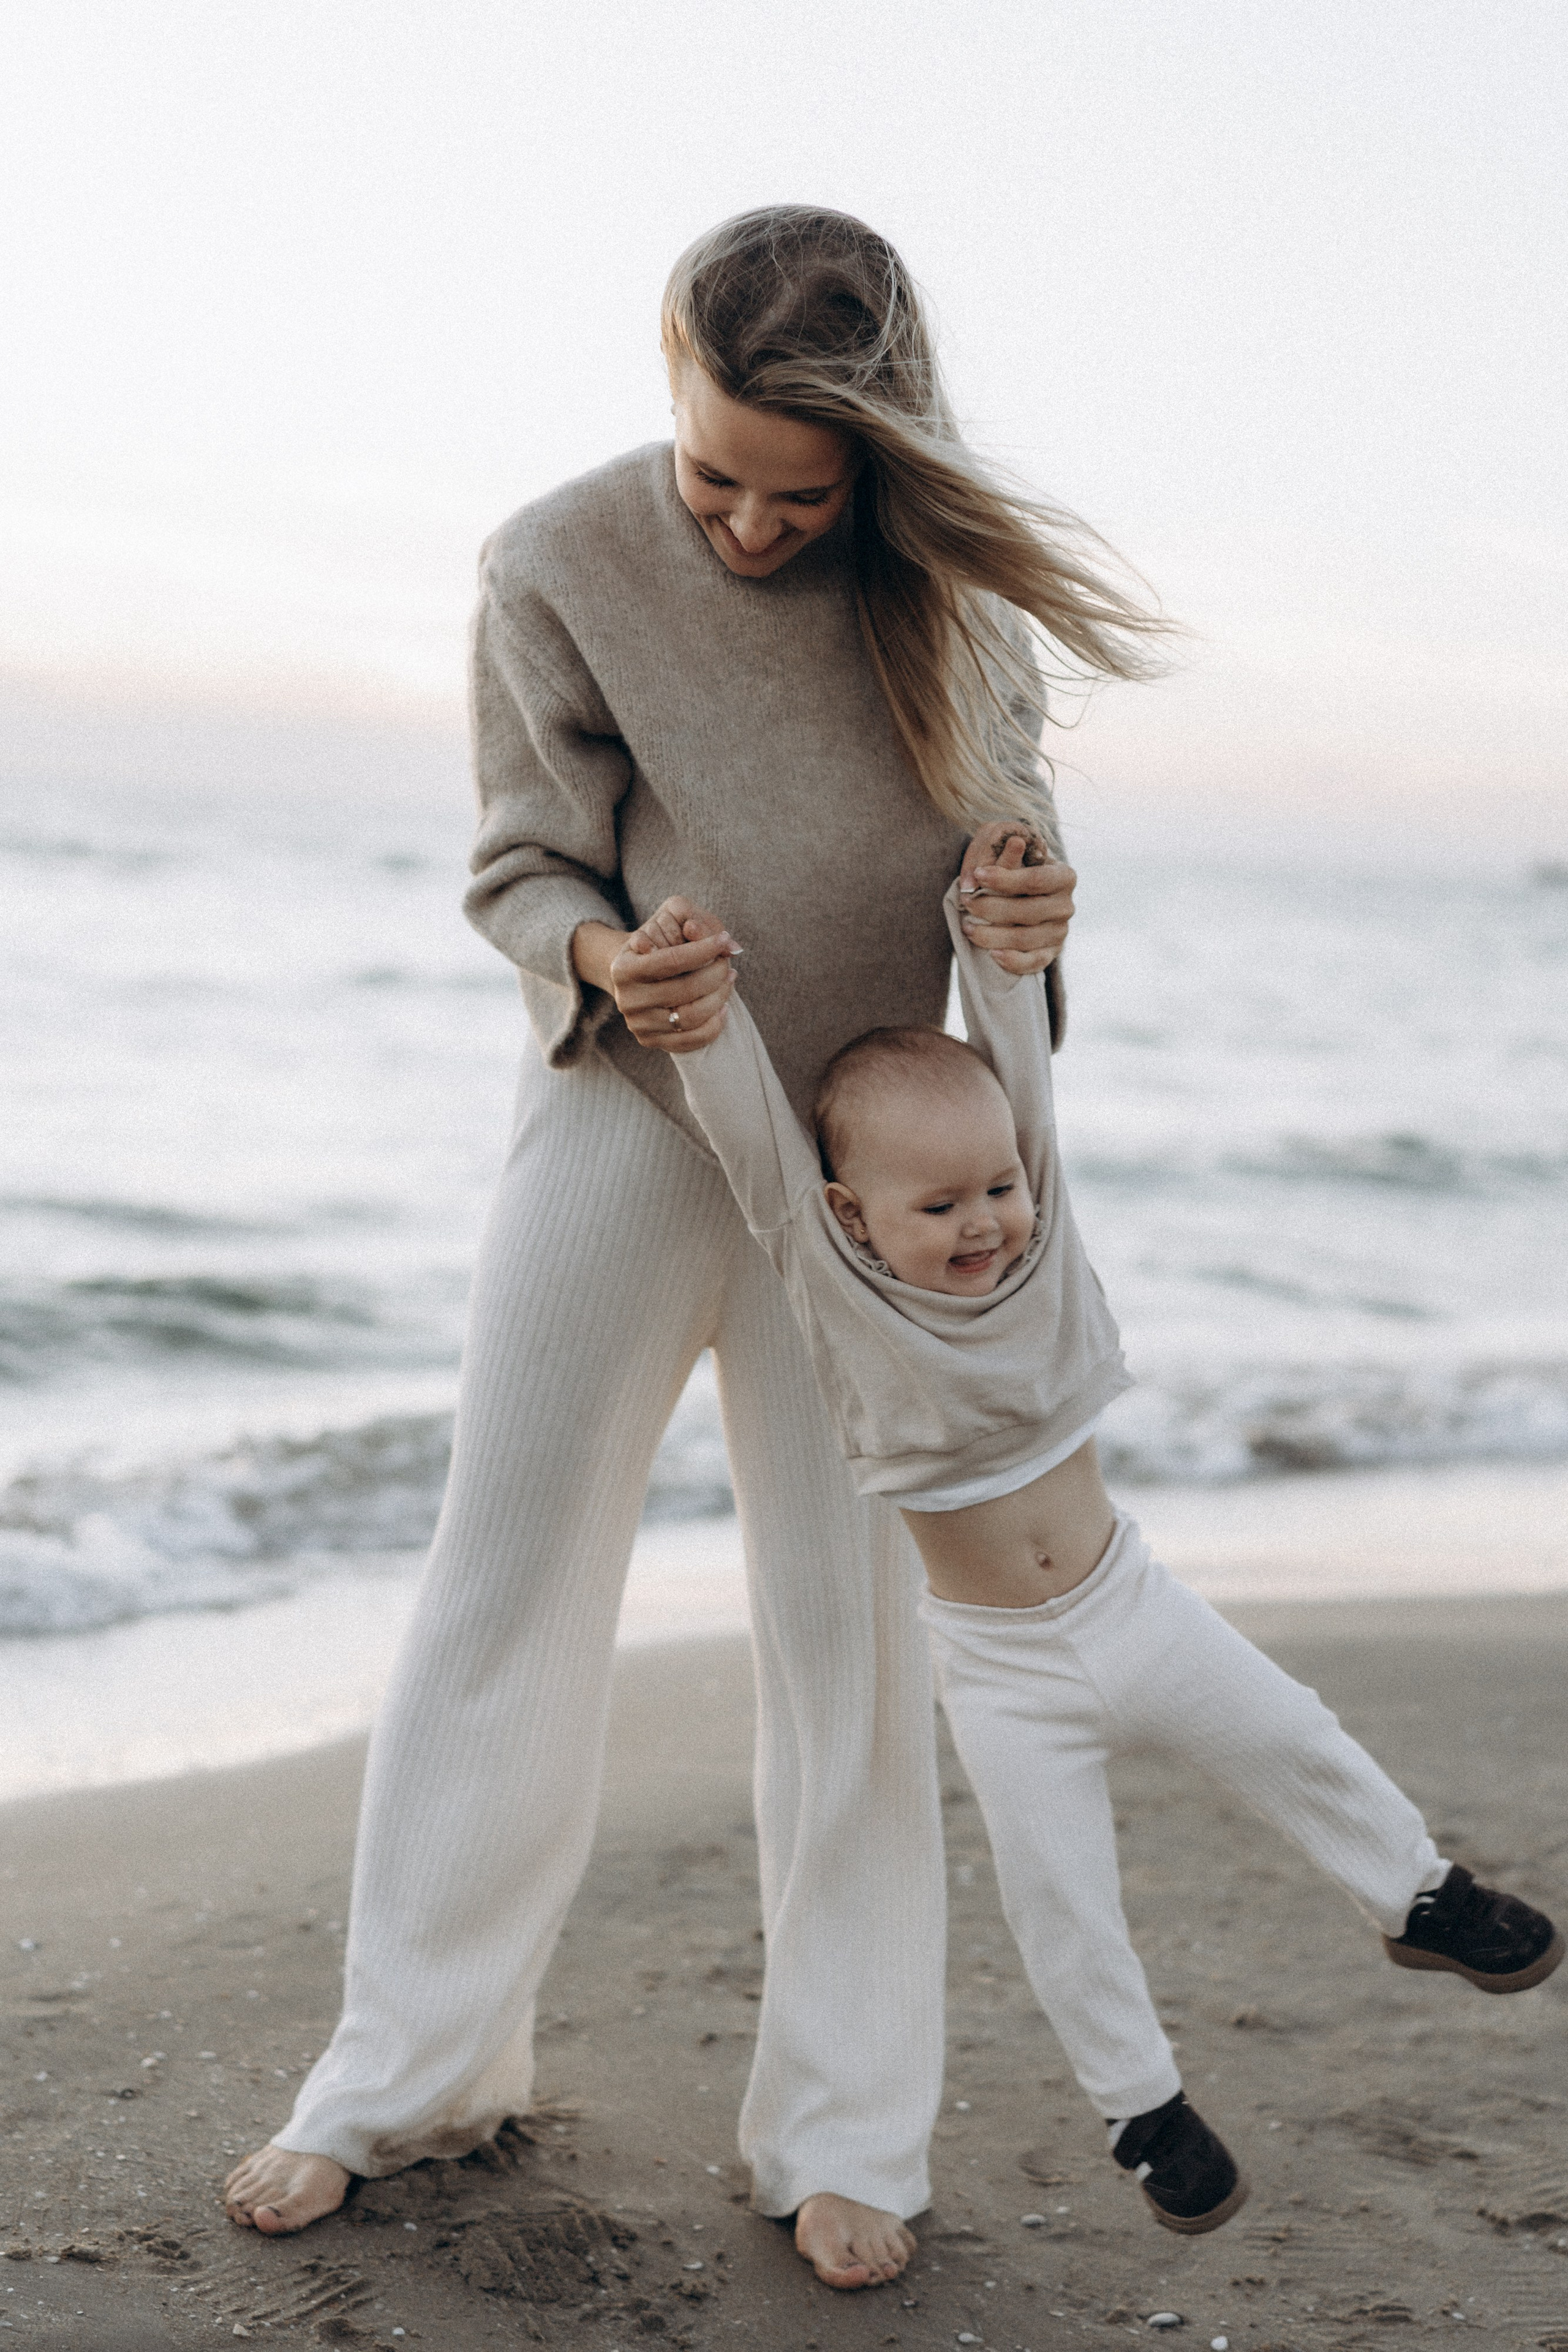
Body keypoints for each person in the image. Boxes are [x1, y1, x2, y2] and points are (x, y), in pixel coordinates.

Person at [221, 203, 1170, 2290]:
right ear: (668, 400)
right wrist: (595, 951)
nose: (744, 523)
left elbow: (1008, 883)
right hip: (633, 1118)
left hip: (877, 1186)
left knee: (850, 1635)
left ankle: (846, 2126)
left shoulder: (952, 605)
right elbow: (517, 860)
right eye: (711, 472)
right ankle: (401, 2077)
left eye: (796, 494)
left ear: (884, 460)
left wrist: (1030, 920)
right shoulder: (555, 558)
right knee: (507, 1575)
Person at [641, 848, 1564, 2237]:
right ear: (849, 1218)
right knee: (1058, 1898)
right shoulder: (816, 1257)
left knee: (1294, 1734)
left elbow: (1016, 1050)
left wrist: (990, 932)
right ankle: (1143, 2110)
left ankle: (1415, 1895)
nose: (985, 1226)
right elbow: (752, 1138)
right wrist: (700, 1010)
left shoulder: (1040, 1229)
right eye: (939, 1207)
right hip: (1001, 1669)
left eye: (996, 1189)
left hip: (1133, 1608)